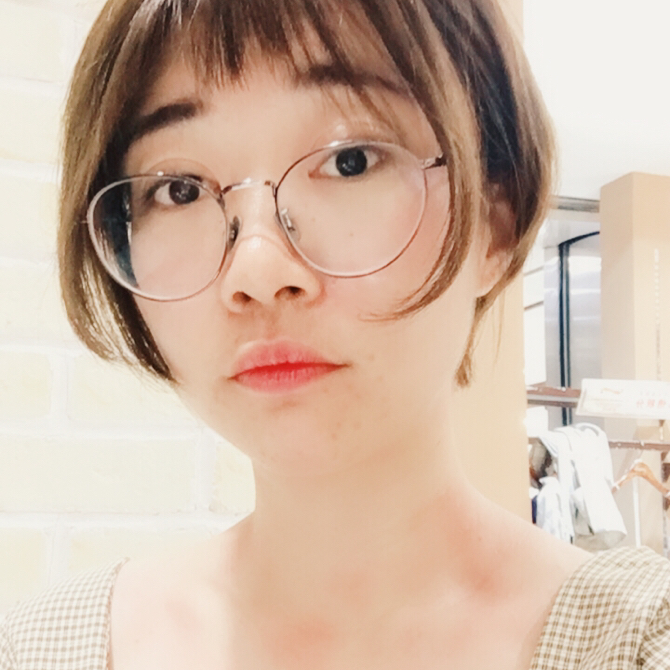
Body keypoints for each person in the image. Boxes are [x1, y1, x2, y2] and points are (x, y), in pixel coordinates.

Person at [2, 0, 669, 668]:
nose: (257, 271)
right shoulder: (44, 649)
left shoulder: (635, 642)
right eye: (179, 188)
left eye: (351, 160)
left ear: (495, 220)